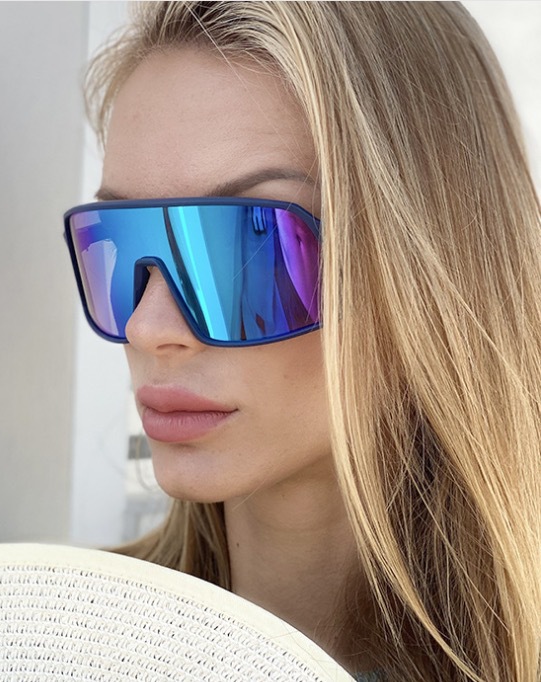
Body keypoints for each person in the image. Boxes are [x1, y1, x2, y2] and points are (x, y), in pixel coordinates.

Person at [63, 3, 541, 681]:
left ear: (433, 265)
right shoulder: (39, 643)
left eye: (247, 246)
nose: (148, 328)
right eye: (118, 242)